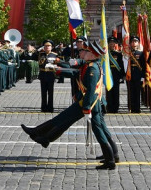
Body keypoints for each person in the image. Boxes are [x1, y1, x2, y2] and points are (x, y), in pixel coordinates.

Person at [21, 40, 120, 170]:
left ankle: (38, 133)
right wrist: (57, 69)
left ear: (92, 54)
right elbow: (75, 72)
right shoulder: (90, 64)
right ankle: (111, 157)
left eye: (86, 51)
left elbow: (91, 90)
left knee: (63, 119)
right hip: (88, 103)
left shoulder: (92, 68)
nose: (82, 53)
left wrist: (86, 107)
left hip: (87, 103)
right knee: (93, 128)